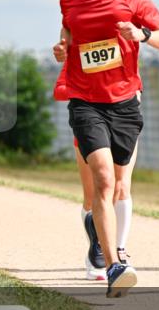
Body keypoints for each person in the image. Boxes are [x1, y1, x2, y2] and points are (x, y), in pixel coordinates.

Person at [53, 0, 159, 297]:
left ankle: (113, 246)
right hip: (85, 101)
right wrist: (62, 49)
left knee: (121, 185)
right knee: (103, 181)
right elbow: (68, 34)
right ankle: (115, 265)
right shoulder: (68, 1)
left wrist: (142, 35)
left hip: (125, 103)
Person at [53, 62, 140, 281]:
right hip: (90, 126)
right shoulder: (79, 54)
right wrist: (88, 90)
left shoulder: (123, 52)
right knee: (94, 195)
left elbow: (136, 84)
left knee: (122, 186)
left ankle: (119, 250)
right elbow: (59, 90)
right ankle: (98, 248)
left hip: (121, 121)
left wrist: (134, 93)